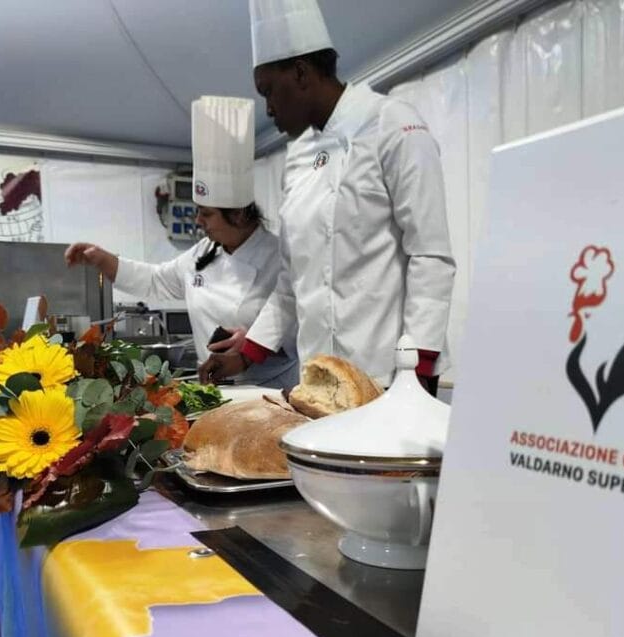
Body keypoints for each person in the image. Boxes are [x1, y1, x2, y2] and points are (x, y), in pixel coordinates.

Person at [199, 0, 455, 392]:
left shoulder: (392, 124)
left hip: (388, 378)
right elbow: (290, 282)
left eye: (268, 91)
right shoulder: (300, 156)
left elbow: (430, 255)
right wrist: (246, 354)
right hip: (320, 382)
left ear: (300, 73)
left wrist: (417, 373)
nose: (268, 109)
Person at [66, 96, 298, 389]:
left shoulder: (279, 259)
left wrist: (253, 343)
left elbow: (298, 324)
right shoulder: (204, 252)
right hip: (218, 387)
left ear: (238, 214)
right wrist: (101, 259)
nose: (198, 221)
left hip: (272, 390)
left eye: (207, 214)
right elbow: (155, 280)